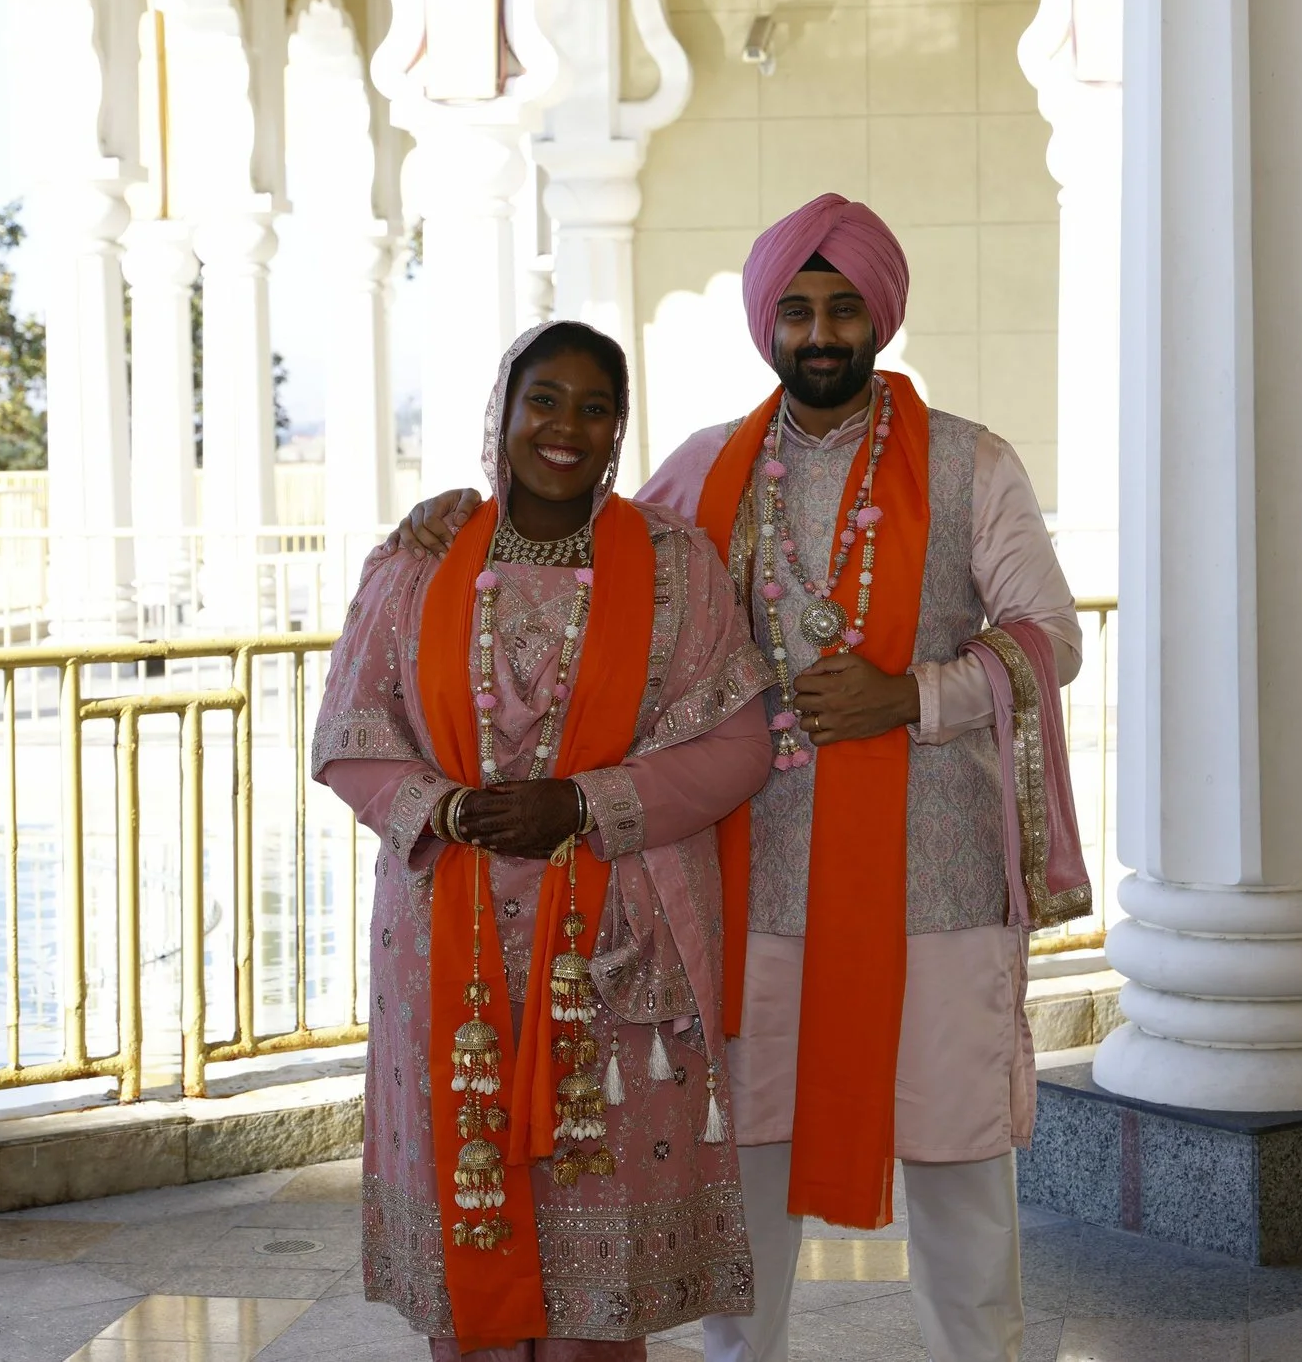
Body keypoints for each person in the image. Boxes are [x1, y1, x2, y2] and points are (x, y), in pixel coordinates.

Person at [387, 196, 1094, 1362]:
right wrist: (458, 512)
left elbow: (1048, 634)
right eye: (798, 309)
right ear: (768, 324)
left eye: (843, 307)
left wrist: (909, 694)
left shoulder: (971, 463)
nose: (821, 332)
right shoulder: (706, 466)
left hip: (937, 882)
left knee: (957, 1160)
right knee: (743, 1160)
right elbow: (588, 545)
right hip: (747, 882)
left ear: (881, 316)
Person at [313, 319, 773, 1361]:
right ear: (503, 413)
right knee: (472, 1234)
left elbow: (738, 742)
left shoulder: (673, 568)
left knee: (593, 1253)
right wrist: (442, 806)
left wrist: (582, 804)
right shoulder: (419, 562)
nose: (566, 427)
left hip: (613, 943)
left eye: (595, 406)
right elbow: (347, 733)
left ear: (619, 429)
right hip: (445, 947)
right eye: (545, 400)